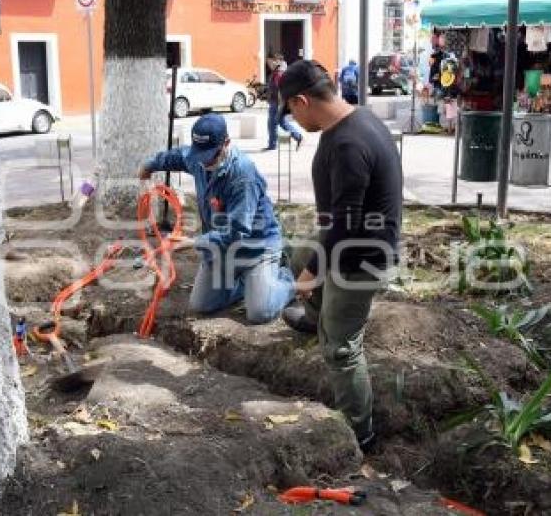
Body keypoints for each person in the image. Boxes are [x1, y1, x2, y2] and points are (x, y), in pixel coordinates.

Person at [277, 60, 402, 453]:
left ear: (301, 100)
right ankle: (317, 318)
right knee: (297, 253)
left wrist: (314, 273)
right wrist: (310, 263)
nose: (291, 117)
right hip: (348, 237)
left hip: (361, 257)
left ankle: (358, 433)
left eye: (289, 110)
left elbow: (346, 226)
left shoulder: (349, 144)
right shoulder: (353, 119)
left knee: (341, 349)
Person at [138, 113, 295, 324]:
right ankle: (249, 286)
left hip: (257, 248)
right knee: (202, 305)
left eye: (209, 155)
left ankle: (286, 279)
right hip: (221, 249)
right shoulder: (197, 158)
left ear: (226, 144)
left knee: (260, 313)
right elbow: (176, 157)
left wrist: (194, 242)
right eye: (199, 155)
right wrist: (149, 166)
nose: (203, 162)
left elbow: (236, 231)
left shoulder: (243, 176)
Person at [266, 60, 304, 151]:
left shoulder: (278, 74)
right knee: (275, 123)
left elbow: (280, 90)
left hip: (277, 102)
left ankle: (297, 136)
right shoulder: (277, 73)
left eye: (273, 63)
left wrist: (280, 103)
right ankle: (273, 144)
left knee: (276, 123)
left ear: (277, 64)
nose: (270, 64)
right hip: (275, 102)